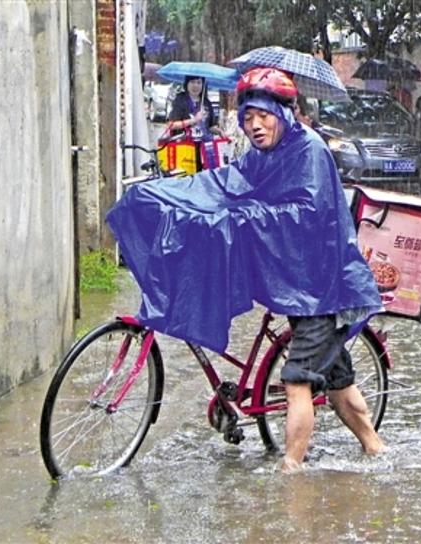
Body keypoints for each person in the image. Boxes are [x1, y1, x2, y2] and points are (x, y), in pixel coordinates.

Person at [107, 67, 386, 473]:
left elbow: (307, 217)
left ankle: (291, 477)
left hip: (325, 287)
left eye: (263, 116)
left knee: (297, 381)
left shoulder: (310, 151)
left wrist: (249, 216)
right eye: (247, 117)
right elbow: (227, 184)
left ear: (284, 113)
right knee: (339, 382)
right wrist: (173, 195)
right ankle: (377, 450)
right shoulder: (262, 155)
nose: (254, 125)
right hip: (295, 284)